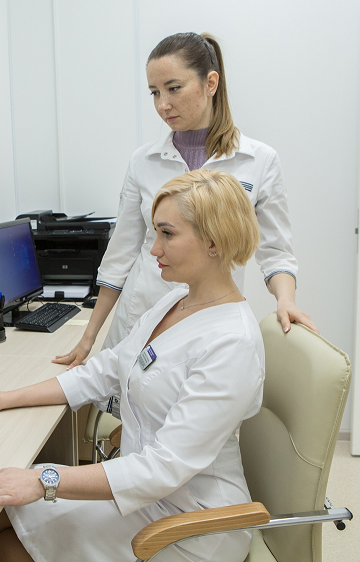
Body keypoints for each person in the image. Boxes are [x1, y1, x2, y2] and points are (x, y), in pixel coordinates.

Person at [0, 170, 265, 562]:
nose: (154, 249)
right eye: (155, 233)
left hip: (193, 522)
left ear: (214, 241)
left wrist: (45, 480)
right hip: (143, 495)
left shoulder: (232, 342)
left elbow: (164, 467)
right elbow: (106, 369)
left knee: (3, 543)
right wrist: (5, 398)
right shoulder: (176, 302)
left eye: (167, 234)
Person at [54, 32, 315, 371]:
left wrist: (285, 300)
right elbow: (121, 254)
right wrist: (88, 337)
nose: (162, 104)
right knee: (123, 402)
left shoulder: (259, 161)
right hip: (142, 317)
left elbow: (276, 251)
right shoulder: (143, 161)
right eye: (154, 92)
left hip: (212, 321)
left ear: (210, 83)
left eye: (173, 88)